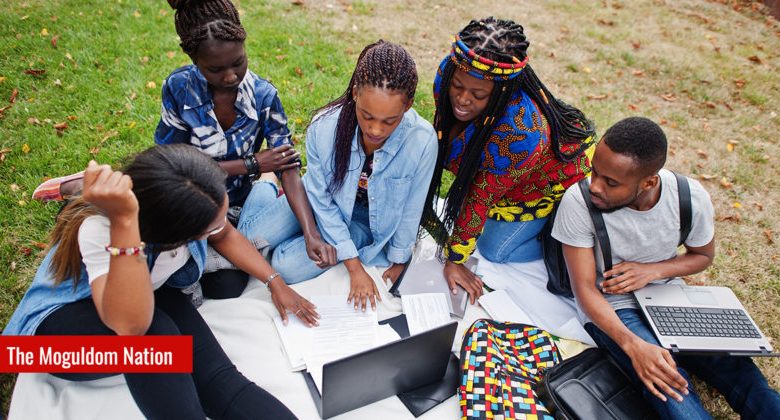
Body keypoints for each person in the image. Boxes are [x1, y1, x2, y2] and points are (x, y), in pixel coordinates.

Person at [32, 0, 337, 298]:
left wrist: (311, 234)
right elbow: (172, 166)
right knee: (195, 277)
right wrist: (252, 164)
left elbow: (287, 167)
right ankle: (88, 184)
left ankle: (260, 195)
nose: (231, 76)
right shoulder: (179, 88)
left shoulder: (264, 96)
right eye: (215, 69)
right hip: (186, 203)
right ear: (194, 59)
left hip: (233, 205)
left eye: (238, 62)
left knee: (226, 287)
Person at [5, 144, 318, 419]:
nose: (220, 227)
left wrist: (275, 282)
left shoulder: (188, 199)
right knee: (156, 338)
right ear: (171, 233)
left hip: (145, 291)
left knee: (219, 381)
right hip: (52, 344)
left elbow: (224, 233)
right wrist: (124, 222)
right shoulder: (102, 228)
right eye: (207, 229)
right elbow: (131, 327)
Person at [552, 117, 780, 419]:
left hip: (670, 298)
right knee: (671, 387)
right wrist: (633, 345)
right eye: (595, 172)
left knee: (741, 373)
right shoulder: (578, 202)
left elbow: (702, 256)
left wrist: (653, 271)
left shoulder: (690, 197)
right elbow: (584, 289)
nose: (595, 186)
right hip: (614, 307)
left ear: (649, 182)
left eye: (611, 182)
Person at [251, 40, 436, 311]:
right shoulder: (324, 127)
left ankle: (333, 236)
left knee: (284, 265)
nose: (375, 130)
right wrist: (353, 266)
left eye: (389, 121)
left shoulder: (422, 141)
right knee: (250, 239)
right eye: (367, 116)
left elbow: (411, 208)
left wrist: (398, 260)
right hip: (318, 203)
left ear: (408, 106)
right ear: (355, 93)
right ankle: (266, 183)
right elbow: (321, 199)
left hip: (363, 223)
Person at [423, 17, 596, 304]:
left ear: (503, 92)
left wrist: (455, 260)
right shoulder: (451, 69)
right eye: (457, 86)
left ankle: (564, 238)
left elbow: (479, 197)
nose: (462, 99)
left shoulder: (521, 133)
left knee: (494, 250)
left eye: (478, 94)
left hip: (550, 181)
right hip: (511, 174)